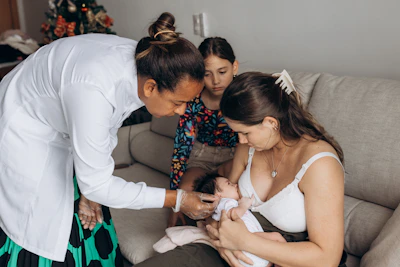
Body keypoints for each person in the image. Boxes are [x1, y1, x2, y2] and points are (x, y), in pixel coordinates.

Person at [0, 12, 219, 266]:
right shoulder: (94, 88)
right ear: (151, 88)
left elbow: (106, 128)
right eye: (178, 103)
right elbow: (98, 176)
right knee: (40, 224)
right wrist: (177, 198)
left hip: (60, 122)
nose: (182, 111)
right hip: (23, 129)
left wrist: (91, 187)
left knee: (90, 199)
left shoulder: (144, 63)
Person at [136, 71, 346, 267]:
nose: (240, 140)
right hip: (228, 243)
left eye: (245, 132)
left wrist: (244, 242)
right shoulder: (248, 148)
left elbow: (327, 258)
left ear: (271, 123)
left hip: (285, 257)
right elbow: (220, 198)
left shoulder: (319, 164)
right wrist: (219, 234)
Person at [168, 37, 239, 227]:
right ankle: (177, 240)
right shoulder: (194, 98)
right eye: (207, 74)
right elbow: (182, 146)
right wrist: (175, 198)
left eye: (222, 72)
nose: (216, 80)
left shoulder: (244, 93)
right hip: (202, 155)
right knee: (185, 195)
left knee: (225, 198)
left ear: (235, 67)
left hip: (235, 156)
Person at [193, 173, 286, 267]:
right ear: (218, 195)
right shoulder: (225, 203)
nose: (235, 185)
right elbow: (233, 215)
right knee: (276, 237)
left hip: (247, 252)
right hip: (246, 240)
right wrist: (244, 205)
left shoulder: (223, 206)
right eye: (229, 183)